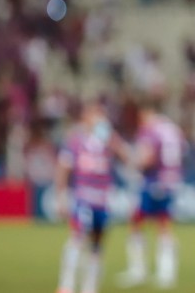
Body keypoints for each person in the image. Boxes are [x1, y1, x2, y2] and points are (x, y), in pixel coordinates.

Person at [55, 103, 129, 293]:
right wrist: (61, 196)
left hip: (102, 201)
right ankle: (67, 285)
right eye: (95, 115)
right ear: (86, 119)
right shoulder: (76, 141)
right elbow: (63, 168)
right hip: (83, 198)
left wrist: (114, 142)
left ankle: (90, 287)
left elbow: (126, 157)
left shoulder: (108, 141)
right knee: (77, 237)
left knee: (97, 245)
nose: (99, 120)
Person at [117, 101, 186, 289]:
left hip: (153, 182)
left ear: (148, 112)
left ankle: (138, 270)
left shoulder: (150, 130)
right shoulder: (173, 129)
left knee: (136, 221)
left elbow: (148, 159)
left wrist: (132, 164)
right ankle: (167, 272)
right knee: (164, 225)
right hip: (172, 182)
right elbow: (182, 154)